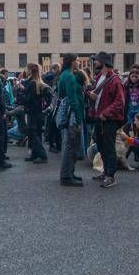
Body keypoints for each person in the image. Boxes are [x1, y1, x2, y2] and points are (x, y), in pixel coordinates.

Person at [88, 51, 125, 188]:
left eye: (97, 60)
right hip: (99, 117)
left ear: (103, 61)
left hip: (108, 119)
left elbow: (120, 101)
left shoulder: (115, 80)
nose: (95, 62)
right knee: (101, 146)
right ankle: (106, 171)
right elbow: (96, 94)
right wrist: (90, 94)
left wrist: (106, 113)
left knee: (109, 148)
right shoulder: (99, 77)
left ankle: (111, 175)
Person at [57, 54, 85, 186]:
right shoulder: (69, 76)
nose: (79, 63)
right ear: (72, 62)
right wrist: (79, 119)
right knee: (71, 145)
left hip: (68, 114)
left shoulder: (64, 75)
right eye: (77, 60)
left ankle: (69, 173)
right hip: (73, 115)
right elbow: (72, 99)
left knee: (70, 145)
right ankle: (66, 177)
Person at [22, 63, 49, 163]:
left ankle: (42, 155)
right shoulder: (38, 82)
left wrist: (21, 93)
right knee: (36, 133)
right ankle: (35, 154)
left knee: (33, 134)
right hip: (38, 112)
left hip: (32, 112)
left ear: (30, 71)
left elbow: (29, 99)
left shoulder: (32, 83)